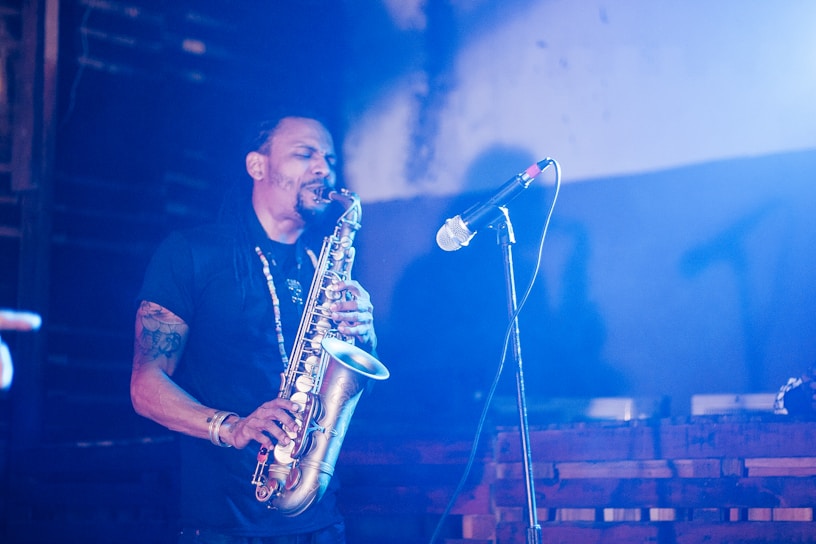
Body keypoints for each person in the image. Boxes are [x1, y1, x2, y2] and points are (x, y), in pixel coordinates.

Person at [130, 114, 378, 544]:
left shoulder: (327, 267)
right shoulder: (190, 252)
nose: (323, 168)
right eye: (305, 154)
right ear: (257, 166)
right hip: (222, 523)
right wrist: (232, 427)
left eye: (329, 158)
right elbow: (145, 385)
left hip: (317, 516)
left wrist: (364, 336)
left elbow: (350, 386)